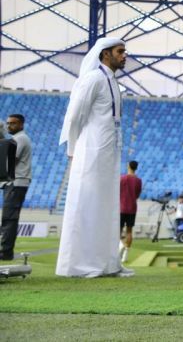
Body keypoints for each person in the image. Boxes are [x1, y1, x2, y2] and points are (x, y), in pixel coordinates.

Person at [56, 37, 133, 278]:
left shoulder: (112, 81)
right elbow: (75, 116)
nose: (124, 55)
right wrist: (73, 150)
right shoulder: (93, 79)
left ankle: (108, 263)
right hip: (90, 152)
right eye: (120, 51)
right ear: (105, 54)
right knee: (87, 205)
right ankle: (80, 264)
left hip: (109, 152)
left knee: (107, 208)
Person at [1, 114, 31, 261]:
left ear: (21, 125)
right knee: (9, 218)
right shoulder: (16, 139)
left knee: (9, 218)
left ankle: (6, 252)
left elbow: (9, 160)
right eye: (8, 123)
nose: (9, 126)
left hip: (16, 182)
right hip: (14, 183)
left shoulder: (20, 139)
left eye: (13, 123)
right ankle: (6, 251)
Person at [119, 160, 142, 263]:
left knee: (118, 230)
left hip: (121, 207)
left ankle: (121, 245)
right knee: (129, 231)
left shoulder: (122, 178)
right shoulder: (138, 180)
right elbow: (137, 194)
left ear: (128, 166)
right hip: (132, 208)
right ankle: (126, 254)